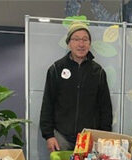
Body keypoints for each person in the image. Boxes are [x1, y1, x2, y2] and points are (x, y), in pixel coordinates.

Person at [39, 22, 113, 152]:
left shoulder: (98, 72)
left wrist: (104, 137)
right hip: (61, 136)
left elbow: (105, 108)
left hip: (89, 139)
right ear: (69, 43)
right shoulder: (56, 69)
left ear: (89, 44)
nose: (81, 44)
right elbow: (48, 104)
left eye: (85, 39)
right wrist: (49, 135)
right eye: (76, 39)